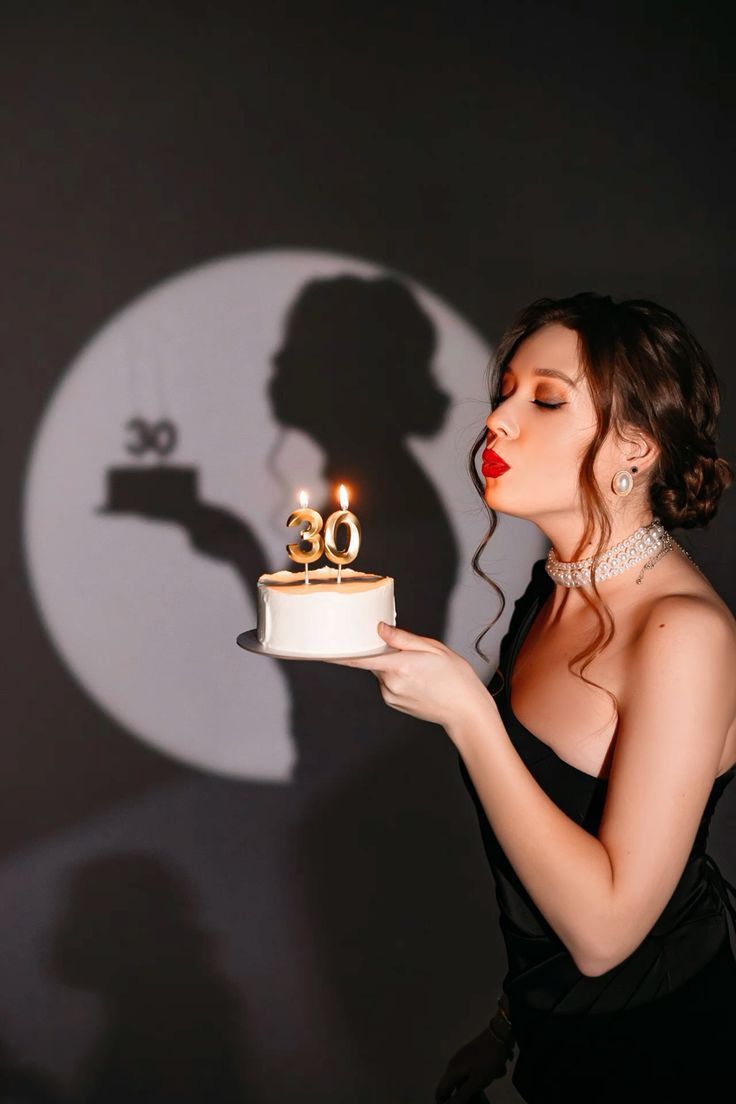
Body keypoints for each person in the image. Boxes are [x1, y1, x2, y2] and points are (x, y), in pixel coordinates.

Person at [327, 292, 736, 1102]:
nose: (499, 424)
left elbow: (606, 934)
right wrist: (510, 1026)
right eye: (503, 394)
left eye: (545, 399)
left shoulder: (682, 632)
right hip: (558, 1041)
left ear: (635, 446)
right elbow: (542, 875)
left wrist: (468, 714)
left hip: (664, 1050)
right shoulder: (550, 595)